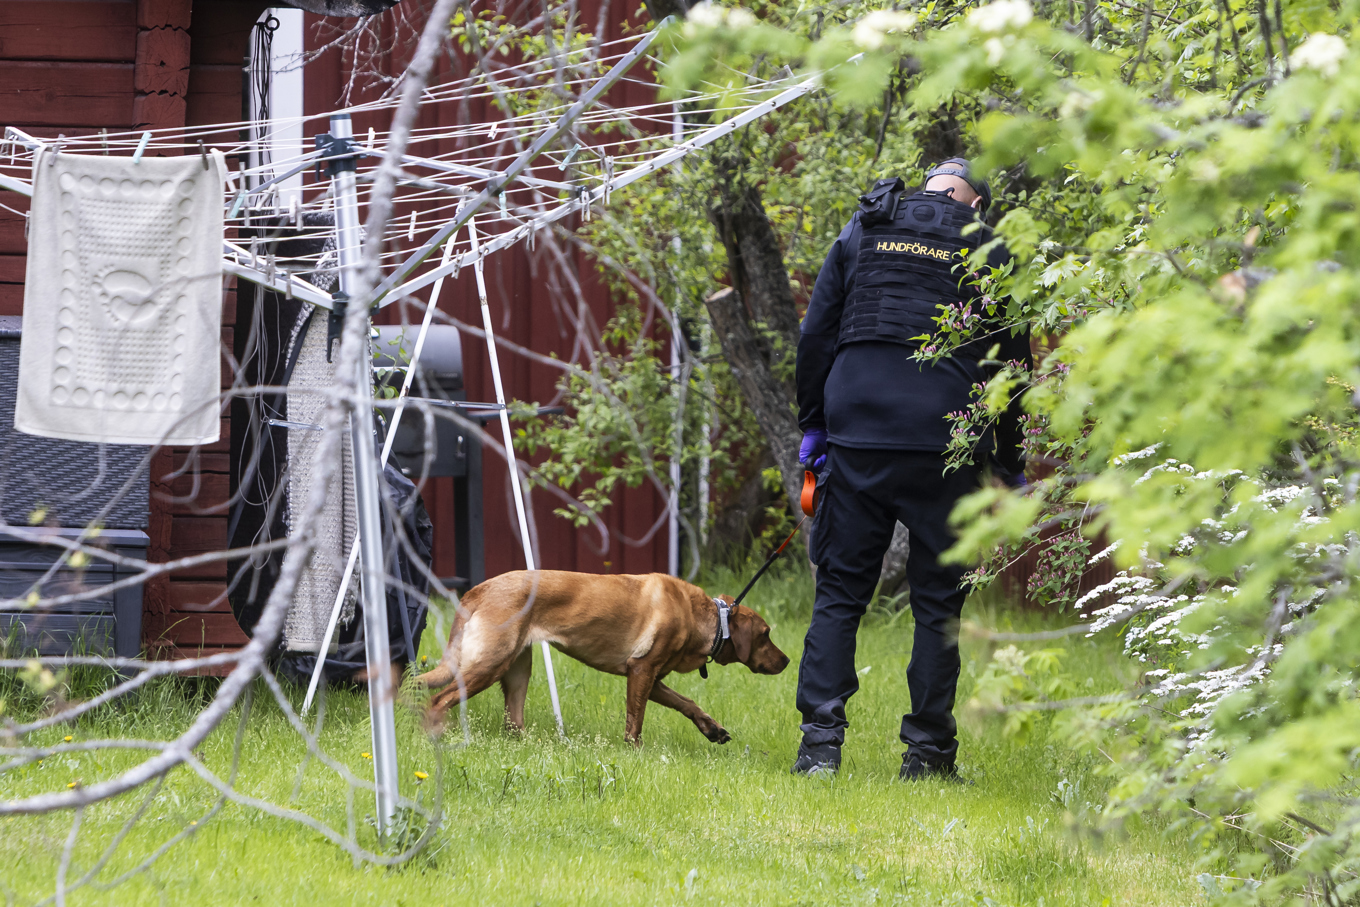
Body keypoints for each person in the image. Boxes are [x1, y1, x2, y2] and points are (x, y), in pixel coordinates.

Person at [791, 158, 1032, 780]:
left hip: (858, 431)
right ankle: (926, 754)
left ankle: (819, 746)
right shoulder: (989, 245)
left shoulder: (865, 226)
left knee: (840, 595)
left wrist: (815, 424)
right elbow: (1013, 362)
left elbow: (817, 333)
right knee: (938, 606)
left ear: (927, 190)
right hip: (944, 441)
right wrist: (1009, 463)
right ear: (976, 204)